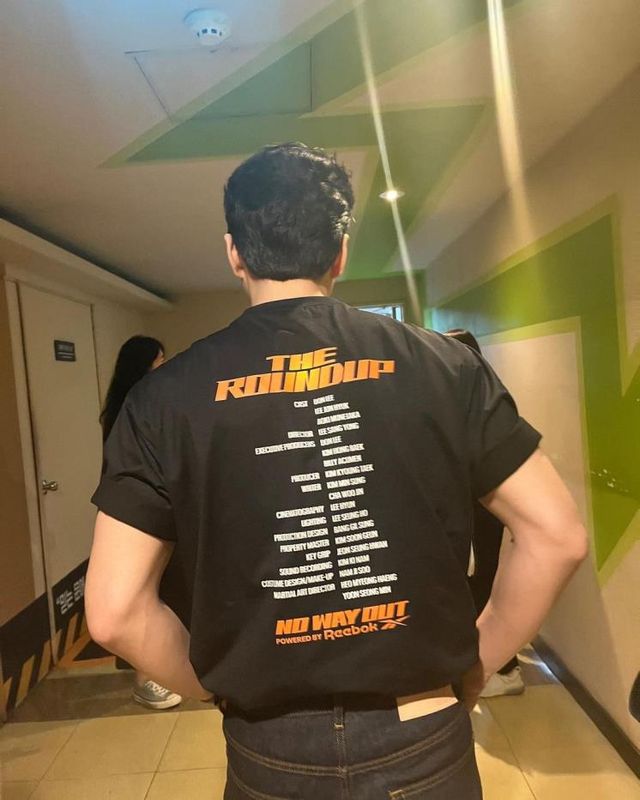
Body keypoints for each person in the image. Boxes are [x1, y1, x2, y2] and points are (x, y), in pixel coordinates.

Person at [86, 143, 587, 799]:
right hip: (424, 728)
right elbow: (557, 536)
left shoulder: (160, 398)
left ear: (234, 252)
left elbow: (114, 613)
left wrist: (209, 687)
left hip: (268, 746)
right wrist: (478, 660)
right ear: (340, 253)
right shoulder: (448, 366)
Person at [100, 335, 182, 711]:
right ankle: (147, 678)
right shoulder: (135, 407)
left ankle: (157, 673)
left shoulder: (126, 404)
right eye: (158, 360)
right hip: (139, 513)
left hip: (141, 509)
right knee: (146, 593)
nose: (163, 366)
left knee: (156, 590)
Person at [445, 328, 524, 698]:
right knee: (476, 582)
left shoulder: (482, 405)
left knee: (484, 580)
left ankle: (505, 670)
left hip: (484, 507)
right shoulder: (472, 400)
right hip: (475, 505)